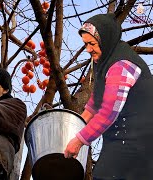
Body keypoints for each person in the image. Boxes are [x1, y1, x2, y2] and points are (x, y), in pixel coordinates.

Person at [64, 13, 153, 179]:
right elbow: (95, 103)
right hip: (122, 138)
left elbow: (108, 111)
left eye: (92, 44)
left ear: (106, 40)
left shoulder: (121, 65)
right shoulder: (105, 62)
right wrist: (75, 128)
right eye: (85, 44)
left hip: (140, 139)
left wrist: (79, 140)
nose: (88, 49)